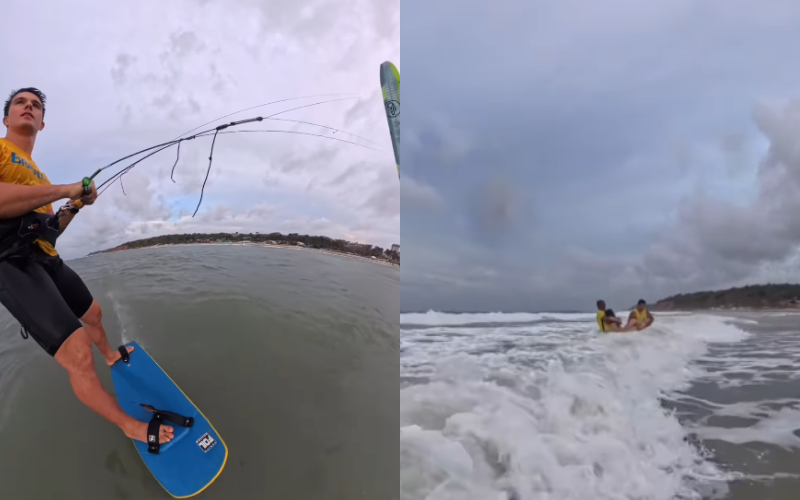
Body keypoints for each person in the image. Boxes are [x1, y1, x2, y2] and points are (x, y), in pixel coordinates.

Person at [0, 87, 173, 446]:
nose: (29, 107)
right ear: (6, 118)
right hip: (12, 264)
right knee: (78, 352)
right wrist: (67, 189)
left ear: (43, 124)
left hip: (46, 257)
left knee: (93, 314)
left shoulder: (39, 176)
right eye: (21, 102)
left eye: (36, 105)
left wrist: (76, 205)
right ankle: (130, 426)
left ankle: (110, 357)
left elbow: (51, 232)